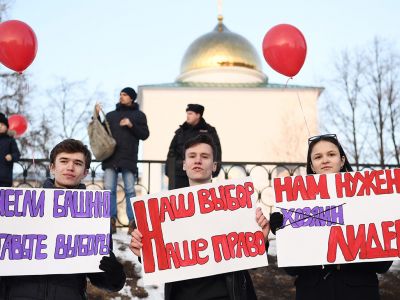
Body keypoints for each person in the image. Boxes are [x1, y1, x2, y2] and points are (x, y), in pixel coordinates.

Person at [131, 134, 270, 300]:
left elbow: (251, 263)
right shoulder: (165, 212)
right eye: (192, 156)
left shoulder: (235, 206)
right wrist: (144, 251)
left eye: (204, 156)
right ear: (184, 165)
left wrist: (261, 240)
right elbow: (162, 257)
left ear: (214, 166)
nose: (198, 161)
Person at [270, 134, 393, 300]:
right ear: (312, 165)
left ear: (342, 161)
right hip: (313, 293)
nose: (325, 160)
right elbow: (292, 270)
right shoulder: (294, 206)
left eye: (331, 154)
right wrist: (284, 232)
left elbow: (383, 265)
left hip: (359, 292)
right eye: (318, 157)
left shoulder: (369, 201)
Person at [2, 139, 126, 300]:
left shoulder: (94, 216)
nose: (70, 167)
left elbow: (103, 280)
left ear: (85, 172)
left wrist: (113, 273)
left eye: (77, 163)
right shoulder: (18, 210)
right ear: (52, 167)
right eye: (64, 161)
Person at [95, 87, 149, 235]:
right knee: (109, 190)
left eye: (124, 95)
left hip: (129, 158)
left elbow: (145, 134)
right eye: (120, 94)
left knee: (131, 190)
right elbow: (101, 133)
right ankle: (110, 221)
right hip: (111, 157)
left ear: (132, 98)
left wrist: (131, 125)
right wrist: (97, 116)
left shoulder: (139, 116)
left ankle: (132, 222)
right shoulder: (112, 115)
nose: (121, 97)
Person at [166, 104, 222, 190]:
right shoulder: (181, 131)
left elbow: (216, 151)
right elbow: (171, 151)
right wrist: (169, 170)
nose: (187, 116)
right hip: (179, 174)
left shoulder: (209, 131)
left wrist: (215, 170)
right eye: (187, 114)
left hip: (201, 174)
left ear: (198, 115)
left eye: (190, 113)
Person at [0, 112, 21, 187]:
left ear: (6, 127)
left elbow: (17, 154)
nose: (0, 126)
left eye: (2, 125)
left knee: (3, 198)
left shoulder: (10, 140)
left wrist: (11, 157)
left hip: (4, 178)